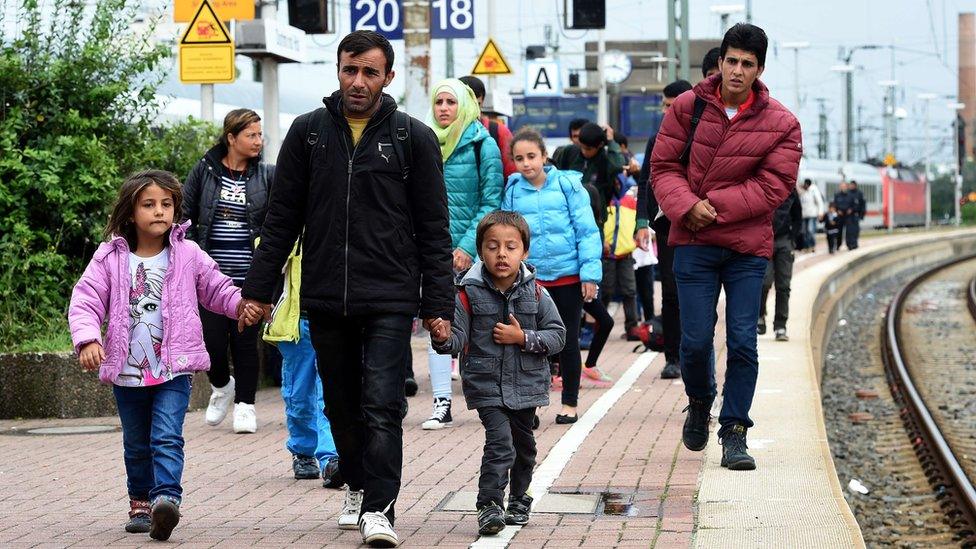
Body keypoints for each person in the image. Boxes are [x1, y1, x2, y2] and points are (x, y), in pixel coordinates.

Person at [239, 31, 454, 547]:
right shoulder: (308, 133)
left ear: (388, 77)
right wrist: (258, 292)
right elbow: (282, 218)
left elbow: (434, 229)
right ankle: (357, 483)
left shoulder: (413, 138)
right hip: (325, 295)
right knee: (339, 404)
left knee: (382, 402)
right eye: (349, 70)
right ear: (337, 70)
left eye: (370, 72)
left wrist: (437, 305)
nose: (358, 82)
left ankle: (380, 508)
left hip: (389, 296)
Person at [68, 170, 262, 541]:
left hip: (174, 368)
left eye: (166, 204)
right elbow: (86, 299)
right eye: (149, 204)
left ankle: (166, 500)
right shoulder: (109, 257)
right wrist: (89, 339)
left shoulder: (188, 253)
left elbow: (216, 287)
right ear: (130, 212)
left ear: (176, 210)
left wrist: (240, 306)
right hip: (127, 370)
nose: (159, 211)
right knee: (137, 441)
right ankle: (140, 501)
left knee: (167, 436)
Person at [651, 23, 802, 471]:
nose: (737, 71)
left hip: (746, 248)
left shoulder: (782, 123)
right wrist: (685, 207)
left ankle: (734, 430)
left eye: (747, 64)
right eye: (731, 60)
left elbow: (775, 184)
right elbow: (662, 167)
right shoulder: (687, 107)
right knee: (695, 342)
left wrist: (708, 205)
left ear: (760, 69)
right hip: (693, 243)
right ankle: (700, 401)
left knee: (742, 342)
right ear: (721, 61)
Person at [429, 211, 566, 537]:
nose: (501, 254)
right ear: (480, 250)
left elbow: (558, 335)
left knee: (524, 447)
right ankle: (489, 504)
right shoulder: (467, 291)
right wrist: (442, 336)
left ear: (524, 252)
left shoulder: (536, 293)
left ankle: (519, 497)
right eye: (492, 247)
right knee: (500, 442)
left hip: (526, 383)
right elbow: (458, 339)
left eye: (510, 247)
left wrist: (524, 338)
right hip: (486, 383)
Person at [501, 128, 602, 424]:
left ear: (545, 156)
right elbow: (506, 231)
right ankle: (528, 406)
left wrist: (590, 275)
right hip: (530, 281)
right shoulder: (513, 189)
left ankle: (569, 403)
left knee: (567, 341)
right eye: (519, 158)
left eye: (532, 156)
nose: (526, 163)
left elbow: (587, 231)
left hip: (568, 278)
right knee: (529, 343)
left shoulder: (569, 185)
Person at [183, 108, 273, 434]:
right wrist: (192, 259)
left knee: (246, 342)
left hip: (249, 278)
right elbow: (185, 217)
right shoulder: (205, 171)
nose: (258, 141)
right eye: (251, 135)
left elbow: (276, 225)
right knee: (212, 344)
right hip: (210, 278)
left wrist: (267, 277)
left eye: (260, 135)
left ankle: (246, 405)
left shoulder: (266, 177)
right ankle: (222, 385)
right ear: (231, 138)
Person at [421, 78, 503, 430]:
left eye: (450, 102)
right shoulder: (421, 141)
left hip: (470, 253)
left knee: (484, 326)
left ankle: (496, 400)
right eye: (438, 101)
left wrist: (468, 246)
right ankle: (442, 401)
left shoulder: (481, 144)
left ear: (465, 106)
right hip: (430, 249)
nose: (443, 108)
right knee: (435, 321)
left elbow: (491, 200)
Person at [261, 239, 342, 487]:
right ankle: (303, 450)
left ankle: (331, 457)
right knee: (298, 392)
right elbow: (266, 248)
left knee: (329, 391)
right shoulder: (289, 218)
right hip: (296, 322)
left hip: (332, 317)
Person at [636, 79, 693, 379]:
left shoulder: (704, 134)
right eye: (665, 105)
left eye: (672, 105)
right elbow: (645, 180)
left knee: (698, 292)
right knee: (671, 292)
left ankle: (697, 350)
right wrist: (642, 222)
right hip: (667, 225)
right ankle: (673, 356)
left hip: (699, 224)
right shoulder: (657, 138)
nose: (667, 110)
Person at [551, 122, 627, 212]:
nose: (584, 151)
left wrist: (610, 140)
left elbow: (619, 165)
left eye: (588, 149)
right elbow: (555, 173)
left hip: (595, 213)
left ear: (600, 145)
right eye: (582, 147)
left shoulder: (606, 159)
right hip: (568, 209)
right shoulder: (570, 152)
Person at [758, 190, 803, 341]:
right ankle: (760, 315)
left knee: (783, 286)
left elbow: (798, 216)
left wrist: (792, 238)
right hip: (765, 240)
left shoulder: (791, 191)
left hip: (784, 241)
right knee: (764, 282)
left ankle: (780, 325)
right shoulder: (764, 184)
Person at [459, 75, 517, 179]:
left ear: (482, 102)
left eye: (476, 103)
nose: (472, 108)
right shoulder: (442, 133)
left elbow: (512, 175)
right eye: (466, 103)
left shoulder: (498, 131)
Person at [798, 179, 825, 251]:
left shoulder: (814, 190)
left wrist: (820, 213)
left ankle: (812, 245)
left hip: (812, 214)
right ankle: (806, 246)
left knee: (810, 230)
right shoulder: (802, 192)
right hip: (804, 215)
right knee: (804, 231)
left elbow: (820, 202)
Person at [833, 180, 854, 250]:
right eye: (842, 186)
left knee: (849, 231)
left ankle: (849, 245)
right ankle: (838, 245)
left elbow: (853, 204)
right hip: (840, 216)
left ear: (846, 187)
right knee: (839, 231)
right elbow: (834, 205)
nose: (843, 188)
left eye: (844, 186)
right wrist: (837, 210)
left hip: (848, 216)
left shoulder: (850, 195)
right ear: (840, 187)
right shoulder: (837, 195)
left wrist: (851, 209)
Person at [848, 180, 865, 249]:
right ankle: (849, 244)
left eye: (852, 185)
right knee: (849, 230)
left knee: (855, 230)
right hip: (848, 215)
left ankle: (854, 243)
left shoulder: (859, 193)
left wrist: (862, 215)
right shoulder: (848, 193)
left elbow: (862, 205)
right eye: (850, 185)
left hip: (856, 214)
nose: (851, 186)